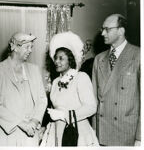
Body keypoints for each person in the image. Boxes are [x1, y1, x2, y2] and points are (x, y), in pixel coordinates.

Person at [0, 32, 47, 146]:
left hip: (30, 133)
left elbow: (42, 99)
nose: (30, 50)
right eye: (27, 47)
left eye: (31, 47)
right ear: (15, 47)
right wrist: (21, 124)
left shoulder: (34, 70)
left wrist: (34, 121)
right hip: (7, 134)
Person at [40, 31, 98, 146]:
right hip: (55, 131)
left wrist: (64, 115)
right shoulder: (56, 82)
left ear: (70, 60)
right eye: (55, 58)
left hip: (77, 132)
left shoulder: (81, 77)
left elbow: (91, 107)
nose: (56, 61)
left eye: (61, 58)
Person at [92, 14, 140, 146]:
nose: (102, 33)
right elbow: (93, 99)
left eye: (107, 29)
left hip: (127, 133)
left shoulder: (138, 55)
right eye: (102, 29)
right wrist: (93, 132)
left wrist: (140, 137)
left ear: (121, 31)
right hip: (102, 133)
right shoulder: (99, 59)